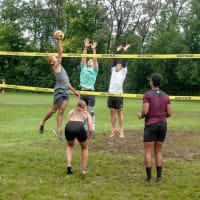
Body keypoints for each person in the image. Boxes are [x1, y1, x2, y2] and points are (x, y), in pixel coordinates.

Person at [39, 31, 79, 139]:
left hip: (65, 91)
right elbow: (60, 52)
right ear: (53, 62)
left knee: (61, 111)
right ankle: (42, 121)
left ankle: (58, 131)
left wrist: (74, 91)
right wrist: (59, 40)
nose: (56, 57)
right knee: (53, 110)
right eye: (54, 57)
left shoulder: (60, 67)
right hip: (59, 91)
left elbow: (67, 82)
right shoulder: (56, 66)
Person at [137, 73, 172, 183]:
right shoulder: (166, 96)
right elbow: (170, 113)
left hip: (151, 124)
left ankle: (148, 178)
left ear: (152, 82)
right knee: (158, 151)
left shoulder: (147, 95)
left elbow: (146, 111)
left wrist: (140, 115)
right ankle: (159, 177)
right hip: (162, 124)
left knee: (148, 151)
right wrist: (160, 116)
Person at [108, 44, 130, 138]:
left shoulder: (123, 72)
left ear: (122, 67)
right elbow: (114, 61)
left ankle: (121, 130)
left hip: (119, 94)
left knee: (119, 112)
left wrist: (125, 51)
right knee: (112, 112)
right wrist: (117, 51)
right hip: (111, 94)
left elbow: (124, 62)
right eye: (117, 65)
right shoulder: (113, 70)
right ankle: (113, 129)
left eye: (119, 65)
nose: (118, 65)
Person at [65, 99, 92, 175]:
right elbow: (90, 129)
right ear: (85, 107)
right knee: (84, 148)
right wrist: (88, 138)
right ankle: (84, 169)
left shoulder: (71, 112)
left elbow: (68, 123)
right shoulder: (86, 114)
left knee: (70, 146)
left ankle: (69, 164)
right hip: (79, 126)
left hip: (69, 126)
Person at [79, 38, 98, 138]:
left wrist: (94, 50)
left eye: (91, 60)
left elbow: (95, 60)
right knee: (82, 111)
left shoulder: (94, 70)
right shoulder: (83, 68)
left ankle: (93, 129)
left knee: (91, 112)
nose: (90, 61)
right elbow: (83, 57)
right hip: (83, 92)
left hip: (90, 93)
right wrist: (85, 47)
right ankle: (84, 129)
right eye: (89, 60)